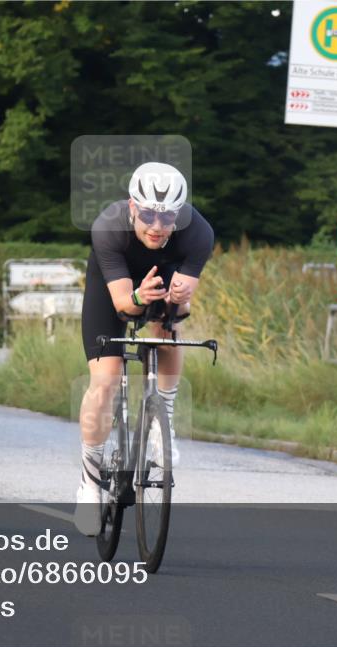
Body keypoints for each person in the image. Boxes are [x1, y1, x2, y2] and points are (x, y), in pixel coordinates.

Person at [75, 161, 214, 535]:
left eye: (167, 217)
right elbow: (123, 305)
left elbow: (182, 309)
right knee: (106, 379)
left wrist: (179, 300)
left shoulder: (198, 233)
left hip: (163, 281)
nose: (157, 225)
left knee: (167, 329)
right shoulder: (108, 226)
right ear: (133, 207)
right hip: (115, 288)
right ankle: (90, 477)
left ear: (179, 216)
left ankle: (162, 420)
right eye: (149, 214)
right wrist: (137, 295)